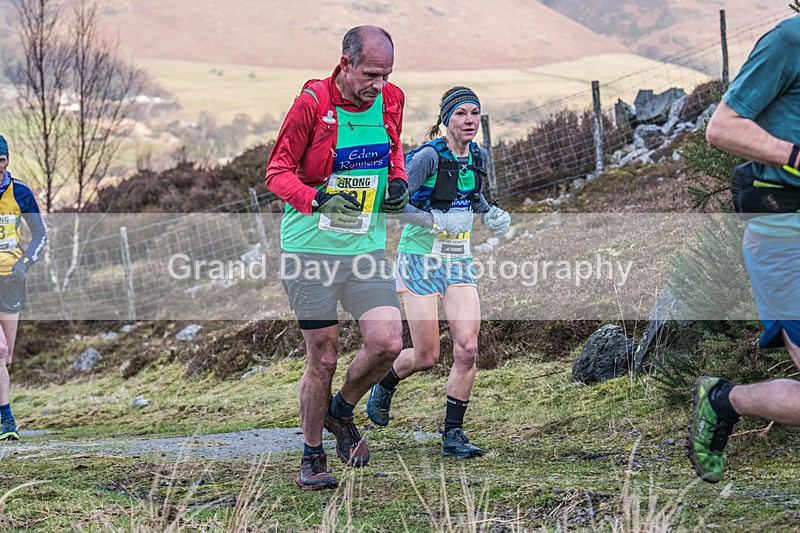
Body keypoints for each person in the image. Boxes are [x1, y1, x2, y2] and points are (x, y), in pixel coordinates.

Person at [265, 26, 409, 490]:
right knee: (324, 357)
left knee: (388, 343)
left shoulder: (391, 100)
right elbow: (276, 173)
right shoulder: (313, 102)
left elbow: (393, 150)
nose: (379, 85)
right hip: (309, 251)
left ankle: (341, 411)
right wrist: (318, 199)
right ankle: (312, 455)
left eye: (386, 75)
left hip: (365, 247)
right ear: (345, 64)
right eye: (370, 75)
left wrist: (399, 182)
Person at [365, 87, 511, 458]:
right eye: (461, 113)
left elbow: (473, 197)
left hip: (458, 262)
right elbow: (393, 207)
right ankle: (386, 382)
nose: (470, 121)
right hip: (419, 260)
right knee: (426, 355)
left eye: (474, 113)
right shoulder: (427, 158)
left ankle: (453, 435)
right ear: (446, 119)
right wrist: (435, 221)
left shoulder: (478, 155)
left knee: (468, 349)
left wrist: (490, 215)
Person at [689, 14, 800, 483]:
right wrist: (794, 156)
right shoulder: (790, 40)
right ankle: (722, 401)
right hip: (784, 234)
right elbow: (723, 128)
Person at [0, 134, 47, 441]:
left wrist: (24, 264)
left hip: (10, 281)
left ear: (7, 160)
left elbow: (40, 234)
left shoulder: (20, 192)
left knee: (7, 357)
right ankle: (7, 420)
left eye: (1, 160)